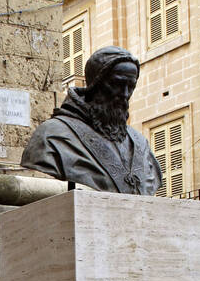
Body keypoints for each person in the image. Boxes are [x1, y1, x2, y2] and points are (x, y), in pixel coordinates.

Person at [22, 45, 162, 195]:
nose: (125, 94)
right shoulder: (52, 137)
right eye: (117, 84)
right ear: (95, 85)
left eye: (131, 86)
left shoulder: (141, 144)